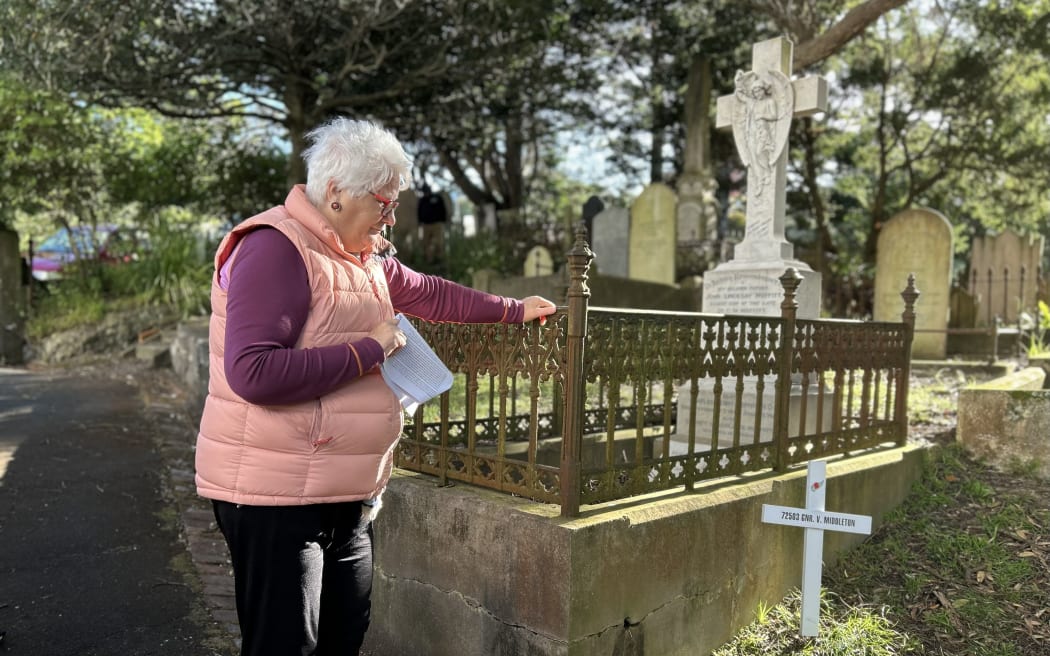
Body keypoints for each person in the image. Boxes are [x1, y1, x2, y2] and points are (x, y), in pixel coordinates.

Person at [194, 117, 556, 656]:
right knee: (285, 647)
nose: (392, 217)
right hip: (275, 498)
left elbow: (430, 293)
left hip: (347, 496)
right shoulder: (276, 248)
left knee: (344, 639)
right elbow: (253, 374)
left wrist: (513, 310)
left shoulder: (362, 256)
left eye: (394, 204)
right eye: (383, 203)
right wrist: (372, 349)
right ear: (336, 193)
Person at [416, 182, 448, 264]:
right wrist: (420, 222)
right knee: (426, 243)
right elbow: (419, 212)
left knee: (439, 242)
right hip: (426, 225)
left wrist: (443, 221)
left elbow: (443, 209)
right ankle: (429, 260)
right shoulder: (422, 200)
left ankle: (439, 259)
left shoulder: (437, 198)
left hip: (437, 224)